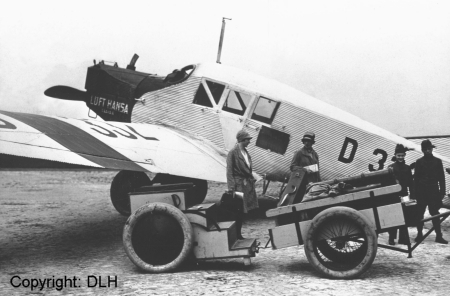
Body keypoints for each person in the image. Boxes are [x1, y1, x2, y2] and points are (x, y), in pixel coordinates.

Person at [226, 130, 259, 239]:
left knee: (243, 210)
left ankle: (238, 234)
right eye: (247, 140)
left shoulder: (245, 152)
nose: (249, 141)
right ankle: (236, 234)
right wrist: (231, 188)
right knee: (238, 210)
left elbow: (248, 169)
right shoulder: (233, 153)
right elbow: (229, 171)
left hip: (245, 185)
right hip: (238, 185)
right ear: (241, 140)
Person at [414, 139, 448, 244]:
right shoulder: (419, 162)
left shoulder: (438, 161)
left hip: (434, 192)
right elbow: (416, 178)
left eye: (429, 149)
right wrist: (415, 193)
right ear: (422, 150)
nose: (427, 151)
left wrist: (442, 192)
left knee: (435, 214)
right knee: (420, 214)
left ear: (432, 149)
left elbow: (442, 178)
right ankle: (419, 234)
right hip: (422, 192)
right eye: (425, 149)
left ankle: (439, 236)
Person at [388, 144, 414, 245]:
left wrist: (412, 195)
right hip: (393, 196)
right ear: (395, 155)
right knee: (394, 217)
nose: (400, 157)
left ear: (404, 156)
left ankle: (402, 238)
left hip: (405, 195)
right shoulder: (390, 168)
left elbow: (411, 183)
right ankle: (391, 238)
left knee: (405, 216)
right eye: (399, 155)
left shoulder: (407, 168)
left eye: (402, 155)